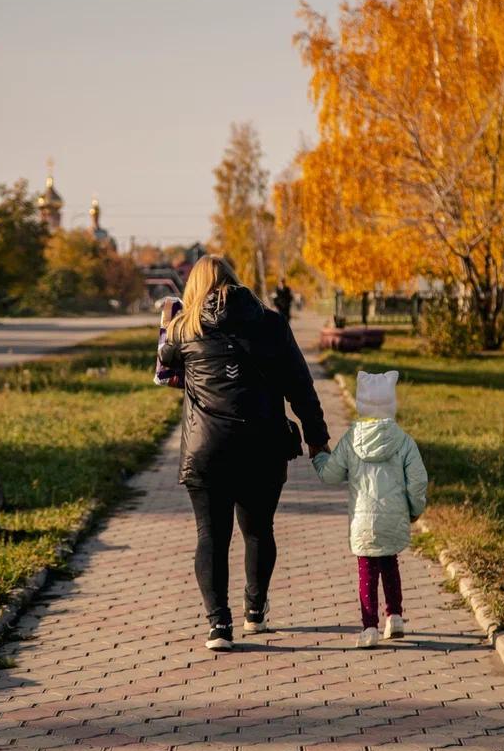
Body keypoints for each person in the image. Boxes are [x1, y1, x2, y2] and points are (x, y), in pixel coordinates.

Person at [159, 256, 330, 651]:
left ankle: (219, 626)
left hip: (207, 451)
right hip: (263, 448)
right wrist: (316, 436)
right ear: (237, 283)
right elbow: (300, 385)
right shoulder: (270, 324)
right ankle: (255, 612)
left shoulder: (183, 328)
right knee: (258, 531)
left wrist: (167, 323)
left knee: (211, 538)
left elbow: (164, 371)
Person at [313, 370, 428, 648]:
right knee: (390, 564)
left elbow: (330, 474)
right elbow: (418, 481)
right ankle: (396, 616)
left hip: (363, 524)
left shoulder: (352, 440)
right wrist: (414, 510)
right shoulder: (404, 441)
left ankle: (370, 627)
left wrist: (318, 456)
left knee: (367, 571)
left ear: (361, 404)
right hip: (393, 519)